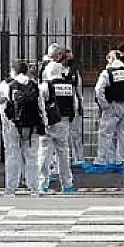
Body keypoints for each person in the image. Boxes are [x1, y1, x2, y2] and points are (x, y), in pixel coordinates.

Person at [0, 60, 45, 197]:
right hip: (32, 124)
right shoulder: (34, 85)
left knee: (12, 155)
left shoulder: (6, 85)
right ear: (26, 70)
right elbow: (41, 107)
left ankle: (11, 188)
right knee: (32, 157)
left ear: (13, 71)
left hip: (12, 125)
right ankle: (34, 188)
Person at [94, 49, 124, 170]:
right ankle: (121, 161)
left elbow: (98, 90)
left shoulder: (107, 72)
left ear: (111, 59)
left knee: (105, 134)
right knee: (123, 135)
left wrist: (104, 105)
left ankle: (101, 160)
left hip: (112, 106)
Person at [37, 60, 76, 194]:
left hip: (49, 123)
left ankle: (42, 184)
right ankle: (67, 184)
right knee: (64, 155)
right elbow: (74, 104)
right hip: (64, 122)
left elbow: (40, 105)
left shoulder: (45, 86)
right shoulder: (69, 85)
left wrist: (43, 121)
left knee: (44, 155)